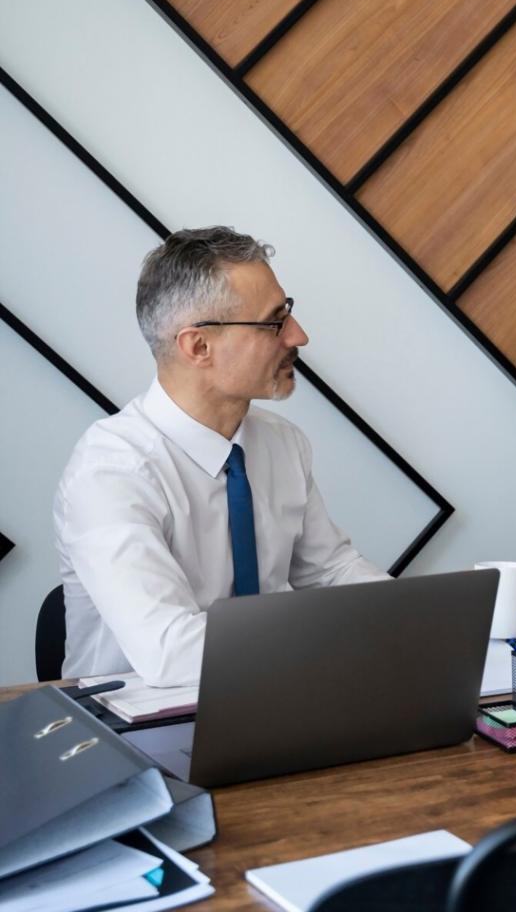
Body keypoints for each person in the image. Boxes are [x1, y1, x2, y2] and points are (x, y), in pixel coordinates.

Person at [54, 227, 389, 687]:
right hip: (136, 733)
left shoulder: (282, 443)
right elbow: (169, 652)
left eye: (288, 314)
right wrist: (326, 633)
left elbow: (331, 571)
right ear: (198, 347)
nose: (299, 336)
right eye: (274, 322)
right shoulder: (111, 472)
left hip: (271, 701)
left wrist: (418, 621)